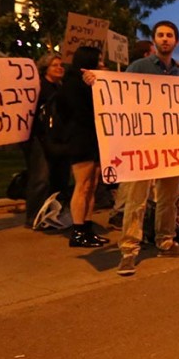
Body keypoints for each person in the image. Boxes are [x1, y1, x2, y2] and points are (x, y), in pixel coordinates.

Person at [117, 22, 179, 277]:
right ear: (154, 41)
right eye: (161, 35)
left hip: (171, 146)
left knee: (168, 198)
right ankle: (129, 250)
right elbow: (117, 95)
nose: (165, 39)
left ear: (176, 41)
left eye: (170, 35)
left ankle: (166, 241)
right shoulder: (138, 68)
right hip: (143, 145)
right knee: (137, 199)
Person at [55, 45, 109, 248]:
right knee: (83, 185)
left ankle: (86, 227)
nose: (102, 64)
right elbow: (79, 113)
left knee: (92, 186)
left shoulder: (88, 83)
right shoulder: (73, 86)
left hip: (92, 139)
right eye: (99, 60)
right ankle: (77, 230)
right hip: (81, 139)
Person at [25, 52, 70, 228]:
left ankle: (53, 213)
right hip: (39, 137)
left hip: (58, 138)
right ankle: (34, 216)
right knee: (41, 177)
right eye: (55, 65)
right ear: (45, 68)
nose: (59, 68)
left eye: (61, 65)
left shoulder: (61, 87)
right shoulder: (38, 88)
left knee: (60, 176)